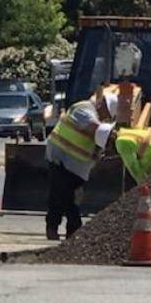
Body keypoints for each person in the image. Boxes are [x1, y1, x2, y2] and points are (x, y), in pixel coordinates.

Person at [43, 100, 103, 240]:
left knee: (67, 195)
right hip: (60, 157)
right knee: (61, 194)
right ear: (102, 105)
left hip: (75, 165)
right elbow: (92, 126)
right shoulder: (84, 109)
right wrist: (109, 133)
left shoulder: (99, 119)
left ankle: (66, 229)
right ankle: (64, 228)